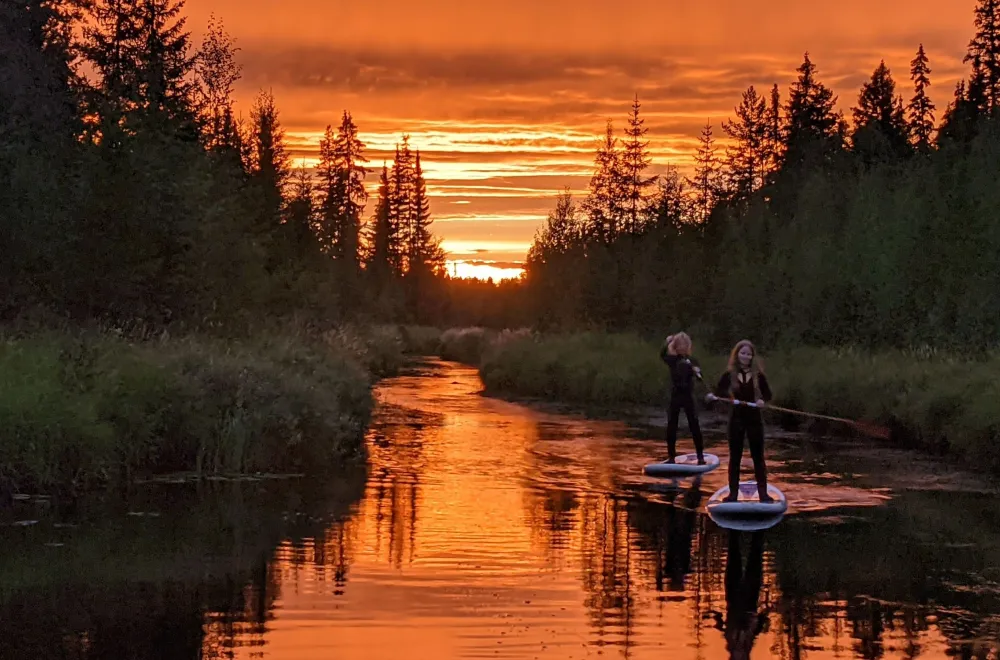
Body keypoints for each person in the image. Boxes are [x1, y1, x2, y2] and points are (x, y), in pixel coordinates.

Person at [706, 340, 773, 503]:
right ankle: (733, 494)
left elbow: (768, 395)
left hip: (754, 419)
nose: (745, 356)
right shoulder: (729, 375)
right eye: (743, 353)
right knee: (735, 457)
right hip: (736, 419)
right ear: (737, 355)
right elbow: (718, 392)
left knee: (758, 458)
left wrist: (762, 401)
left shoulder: (759, 376)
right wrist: (712, 398)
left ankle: (763, 494)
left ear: (752, 357)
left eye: (749, 354)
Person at [707, 530, 770, 660]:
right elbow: (759, 624)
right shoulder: (745, 643)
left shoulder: (731, 642)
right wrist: (766, 615)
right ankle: (758, 527)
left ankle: (737, 527)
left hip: (735, 598)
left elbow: (722, 624)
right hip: (748, 600)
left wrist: (714, 616)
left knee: (735, 550)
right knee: (754, 553)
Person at [659, 332, 705, 464]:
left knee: (694, 425)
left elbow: (701, 378)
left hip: (688, 396)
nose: (682, 347)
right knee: (672, 425)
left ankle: (700, 457)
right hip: (675, 395)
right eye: (679, 344)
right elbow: (662, 355)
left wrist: (698, 372)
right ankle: (671, 457)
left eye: (685, 344)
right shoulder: (672, 360)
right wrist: (667, 342)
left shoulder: (693, 360)